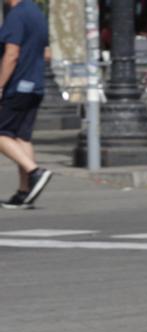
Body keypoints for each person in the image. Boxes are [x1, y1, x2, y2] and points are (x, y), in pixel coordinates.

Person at [0, 0, 51, 209]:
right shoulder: (36, 13)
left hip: (17, 85)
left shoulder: (16, 15)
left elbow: (12, 54)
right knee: (21, 136)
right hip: (35, 84)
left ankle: (34, 172)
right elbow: (47, 53)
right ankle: (25, 191)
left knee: (1, 133)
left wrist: (1, 84)